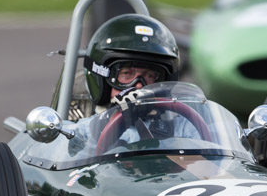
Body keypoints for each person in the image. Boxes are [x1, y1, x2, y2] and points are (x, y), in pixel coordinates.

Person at [81, 14, 203, 145]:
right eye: (126, 74)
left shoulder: (184, 129)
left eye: (149, 76)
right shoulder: (82, 132)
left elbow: (213, 159)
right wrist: (105, 126)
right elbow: (68, 152)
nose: (139, 86)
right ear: (102, 79)